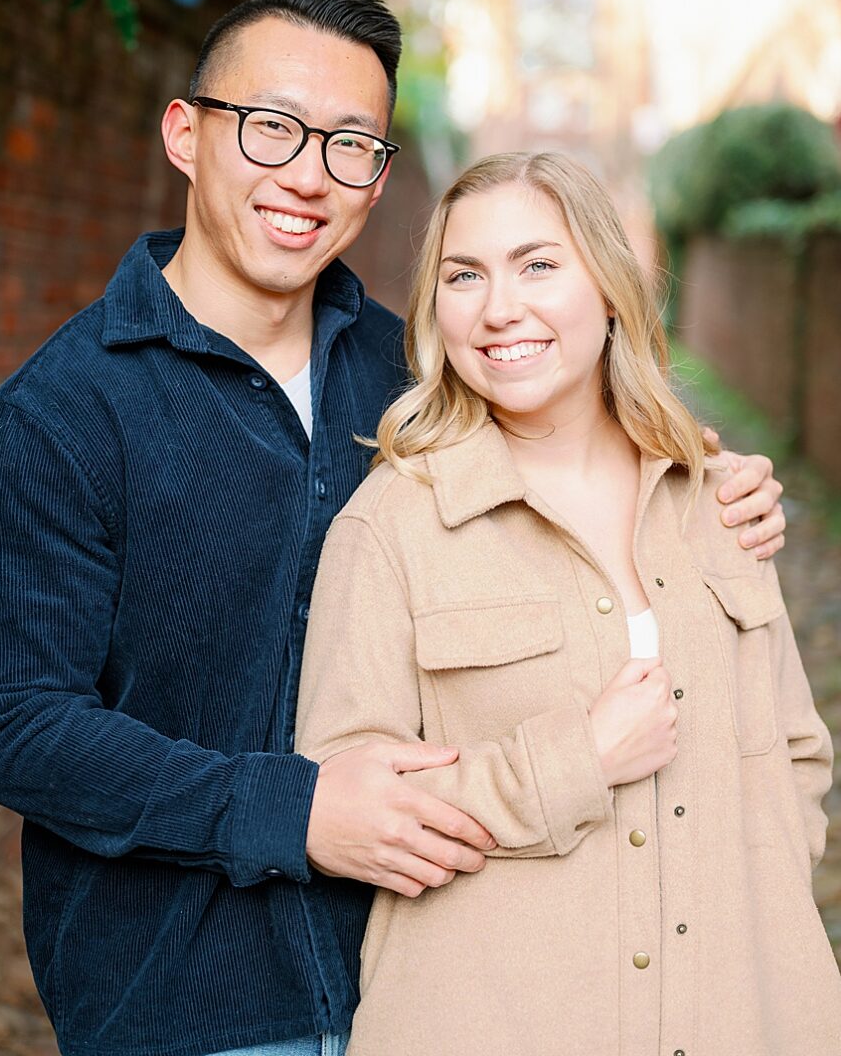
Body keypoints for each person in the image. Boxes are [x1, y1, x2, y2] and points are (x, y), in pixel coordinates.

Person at [0, 0, 789, 1056]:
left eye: (350, 143)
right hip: (192, 1003)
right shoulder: (57, 416)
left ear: (379, 178)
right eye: (271, 128)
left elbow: (585, 447)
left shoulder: (419, 376)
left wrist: (706, 476)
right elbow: (22, 727)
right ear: (184, 133)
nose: (308, 174)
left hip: (456, 975)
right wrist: (289, 810)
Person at [294, 151, 841, 1056]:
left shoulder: (718, 502)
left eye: (538, 265)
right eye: (463, 276)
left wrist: (761, 914)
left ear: (611, 286)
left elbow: (793, 754)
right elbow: (347, 811)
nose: (498, 307)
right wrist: (576, 759)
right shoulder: (392, 527)